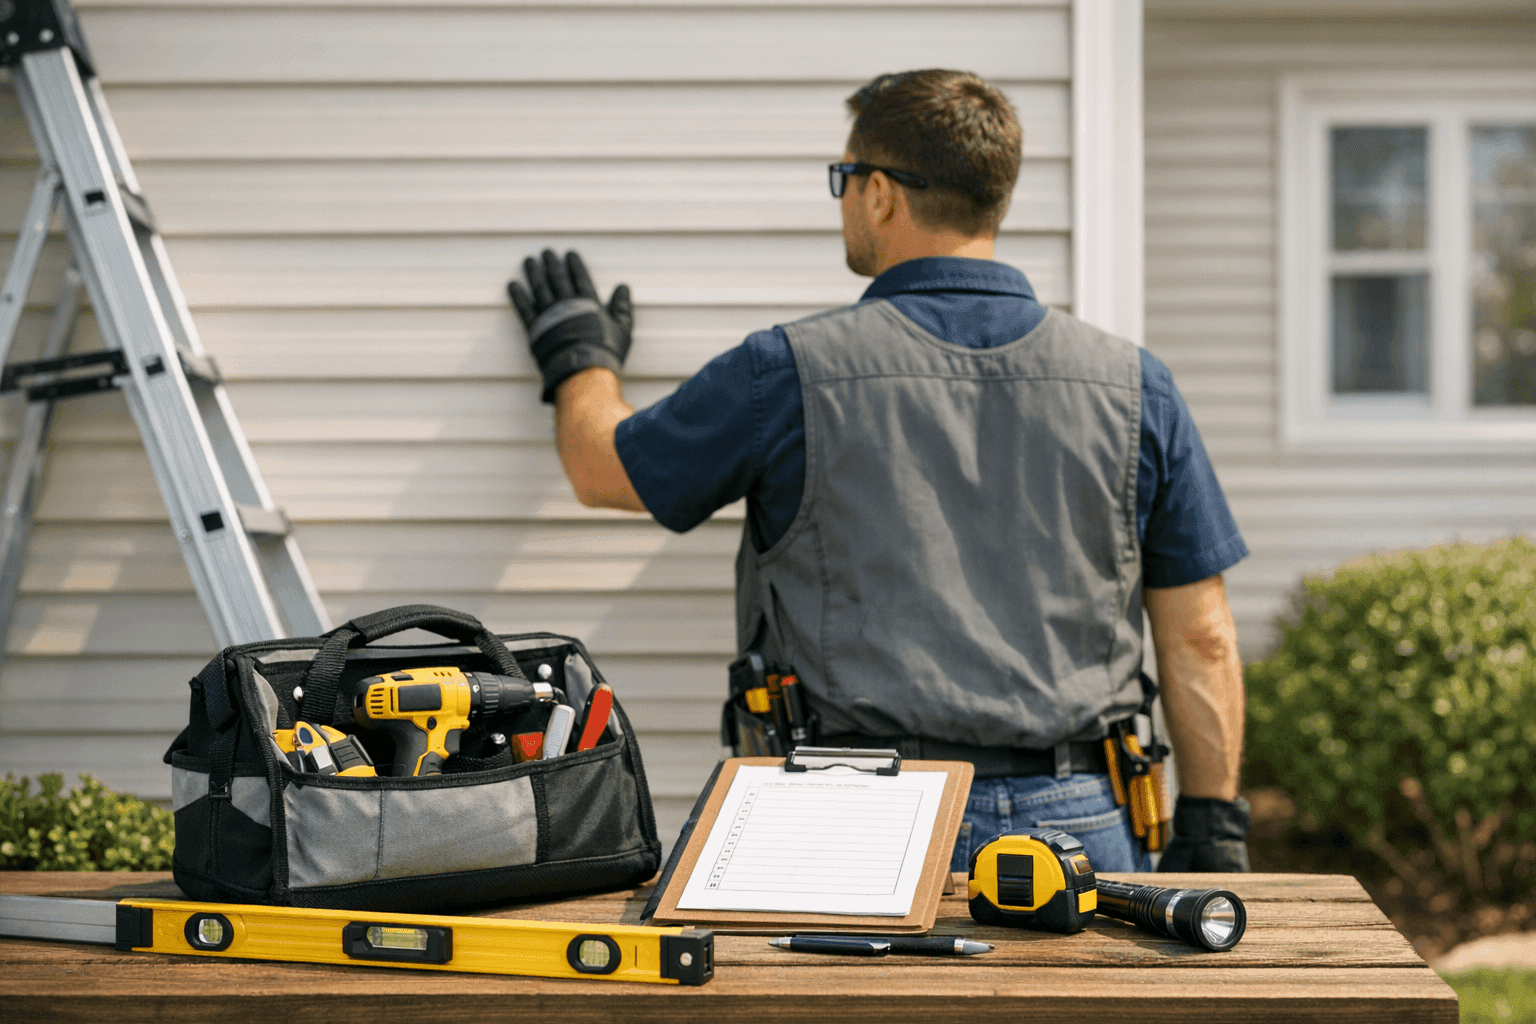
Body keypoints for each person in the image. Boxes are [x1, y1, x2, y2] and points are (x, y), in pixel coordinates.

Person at [507, 69, 1250, 874]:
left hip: (854, 813)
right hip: (1080, 820)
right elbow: (1201, 636)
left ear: (882, 194)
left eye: (845, 180)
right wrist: (1212, 827)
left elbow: (604, 468)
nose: (845, 201)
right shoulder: (1135, 386)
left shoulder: (788, 372)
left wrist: (579, 356)